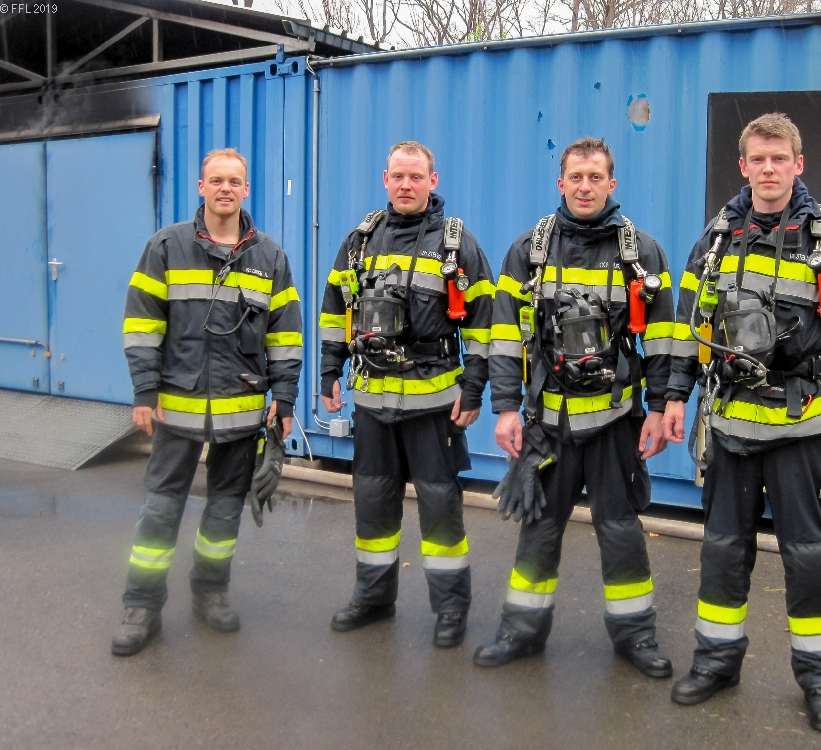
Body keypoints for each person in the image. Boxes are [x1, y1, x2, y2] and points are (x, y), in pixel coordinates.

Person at [663, 113, 821, 733]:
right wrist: (676, 397)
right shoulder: (715, 241)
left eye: (779, 158)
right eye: (758, 159)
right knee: (722, 551)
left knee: (809, 556)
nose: (768, 169)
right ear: (743, 167)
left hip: (805, 427)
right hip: (732, 426)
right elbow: (689, 329)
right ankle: (716, 663)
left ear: (797, 164)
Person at [475, 137, 677, 678]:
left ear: (612, 183)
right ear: (560, 183)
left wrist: (660, 409)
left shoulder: (642, 252)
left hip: (616, 422)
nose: (585, 187)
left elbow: (662, 340)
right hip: (549, 423)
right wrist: (506, 408)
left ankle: (636, 637)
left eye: (595, 177)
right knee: (539, 530)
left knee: (621, 530)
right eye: (576, 177)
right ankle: (520, 632)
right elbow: (504, 336)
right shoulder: (528, 250)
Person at [113, 148, 302, 656]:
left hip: (241, 409)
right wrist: (144, 391)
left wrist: (284, 398)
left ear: (246, 189)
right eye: (215, 180)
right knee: (160, 510)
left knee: (223, 512)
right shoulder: (166, 246)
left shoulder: (270, 256)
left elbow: (285, 335)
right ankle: (141, 607)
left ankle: (210, 593)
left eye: (234, 181)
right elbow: (142, 322)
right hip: (176, 407)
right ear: (202, 188)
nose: (225, 188)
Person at [319, 141, 494, 648]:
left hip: (433, 404)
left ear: (432, 181)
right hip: (372, 402)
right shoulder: (360, 240)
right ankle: (374, 598)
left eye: (416, 177)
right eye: (398, 176)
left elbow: (484, 323)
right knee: (373, 503)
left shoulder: (457, 244)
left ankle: (451, 608)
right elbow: (335, 308)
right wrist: (330, 369)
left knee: (440, 508)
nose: (406, 185)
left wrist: (474, 388)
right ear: (385, 178)